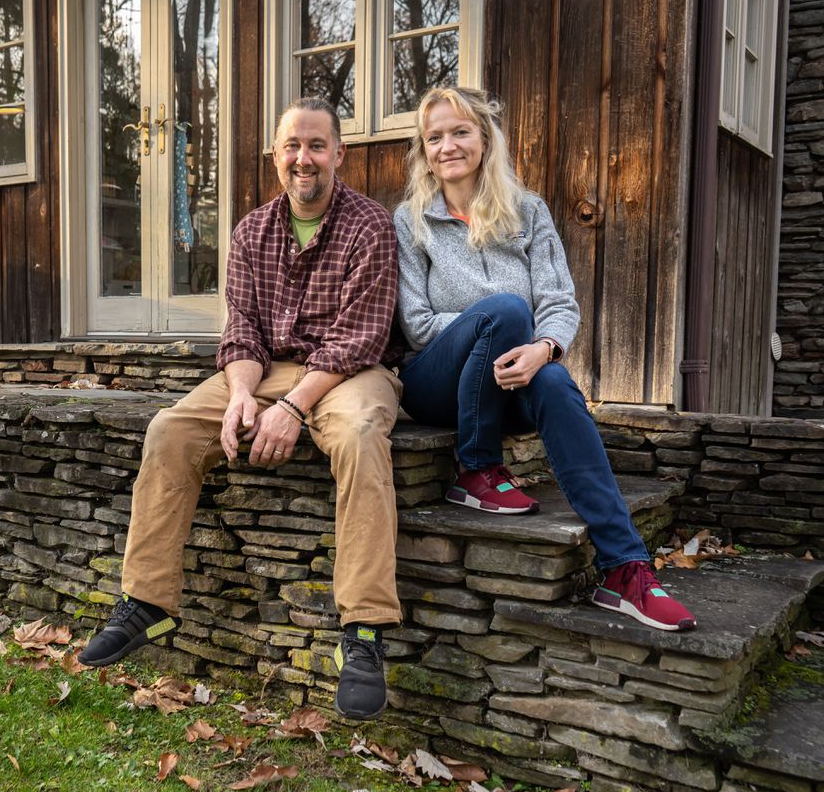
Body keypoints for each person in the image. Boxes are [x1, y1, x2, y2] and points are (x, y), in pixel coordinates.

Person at [78, 98, 404, 719]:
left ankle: (364, 630)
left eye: (315, 146)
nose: (302, 159)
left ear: (339, 153)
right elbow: (243, 333)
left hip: (349, 372)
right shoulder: (252, 230)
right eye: (291, 146)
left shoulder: (370, 226)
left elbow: (360, 336)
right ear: (275, 155)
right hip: (268, 367)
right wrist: (240, 399)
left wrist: (292, 409)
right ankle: (147, 603)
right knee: (171, 429)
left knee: (362, 437)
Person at [393, 87, 696, 632]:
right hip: (434, 381)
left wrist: (543, 348)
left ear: (485, 139)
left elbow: (559, 301)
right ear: (423, 150)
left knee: (555, 384)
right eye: (434, 137)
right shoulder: (410, 220)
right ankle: (478, 468)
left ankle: (626, 570)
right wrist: (489, 333)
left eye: (460, 131)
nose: (447, 146)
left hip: (513, 380)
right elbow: (414, 323)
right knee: (506, 309)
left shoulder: (528, 211)